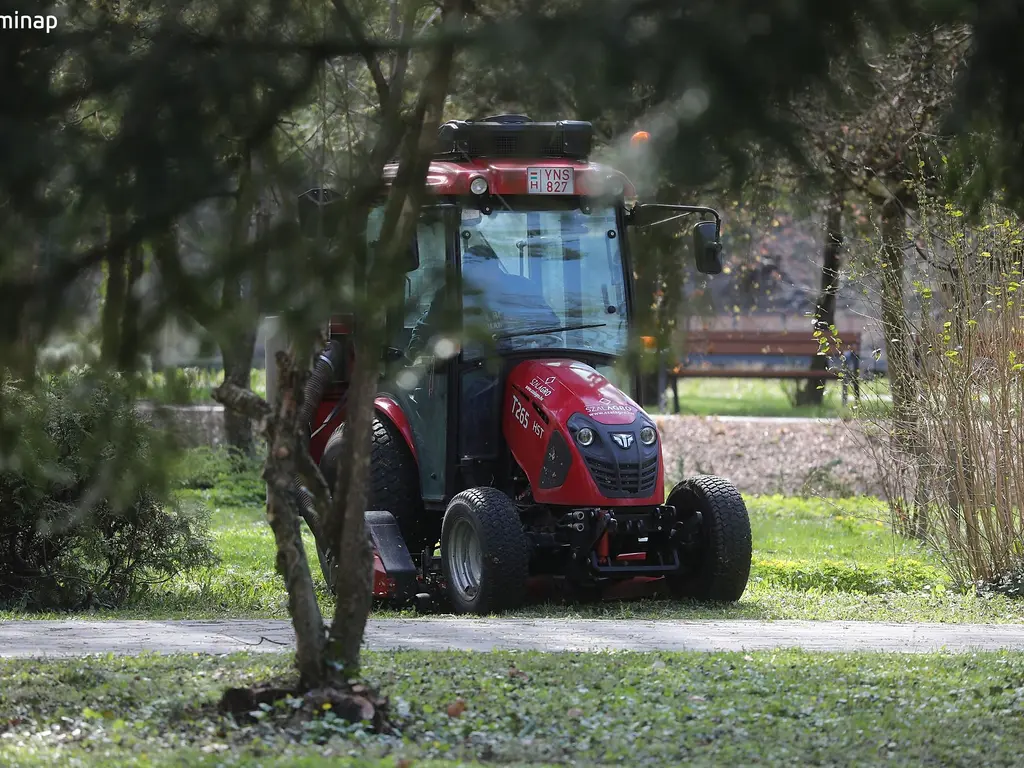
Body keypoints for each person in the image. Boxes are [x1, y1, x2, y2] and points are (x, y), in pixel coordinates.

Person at [404, 243, 561, 458]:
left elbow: (552, 325)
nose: (477, 275)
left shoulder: (523, 289)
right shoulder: (452, 293)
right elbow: (424, 330)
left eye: (482, 268)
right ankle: (474, 462)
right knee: (475, 401)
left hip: (522, 367)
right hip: (472, 368)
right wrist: (418, 357)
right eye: (471, 270)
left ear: (495, 267)